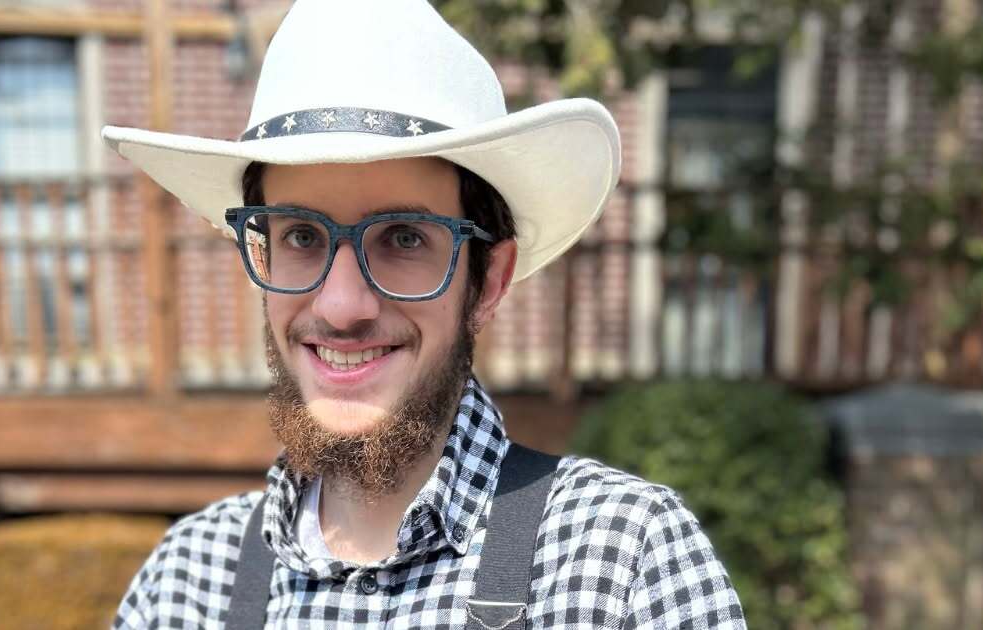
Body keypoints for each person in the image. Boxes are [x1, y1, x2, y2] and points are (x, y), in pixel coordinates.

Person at [104, 0, 745, 627]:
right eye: (302, 236)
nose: (342, 306)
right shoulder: (187, 582)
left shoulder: (620, 564)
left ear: (488, 280)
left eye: (404, 238)